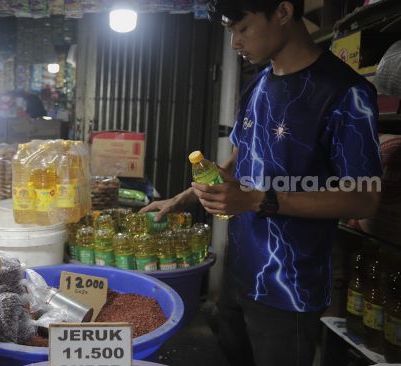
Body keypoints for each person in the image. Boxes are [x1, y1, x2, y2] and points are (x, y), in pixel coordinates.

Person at [140, 1, 383, 365]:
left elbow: (365, 200)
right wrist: (182, 198)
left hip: (289, 288)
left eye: (243, 29)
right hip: (239, 273)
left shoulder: (346, 94)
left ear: (283, 12)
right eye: (231, 32)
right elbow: (240, 161)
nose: (236, 42)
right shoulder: (260, 83)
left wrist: (258, 201)